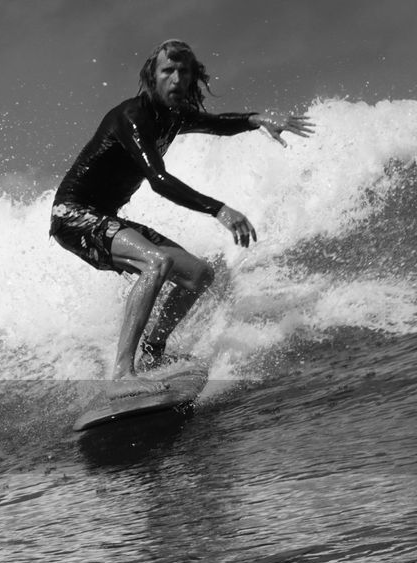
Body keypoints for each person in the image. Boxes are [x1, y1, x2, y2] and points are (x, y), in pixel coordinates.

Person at [50, 39, 314, 394]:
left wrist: (257, 120)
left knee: (199, 274)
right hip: (73, 214)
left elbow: (216, 123)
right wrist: (219, 209)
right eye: (167, 71)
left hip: (103, 217)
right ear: (152, 77)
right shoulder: (133, 116)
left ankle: (153, 352)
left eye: (183, 71)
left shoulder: (173, 118)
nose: (176, 78)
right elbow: (158, 180)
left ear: (192, 78)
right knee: (156, 263)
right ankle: (122, 375)